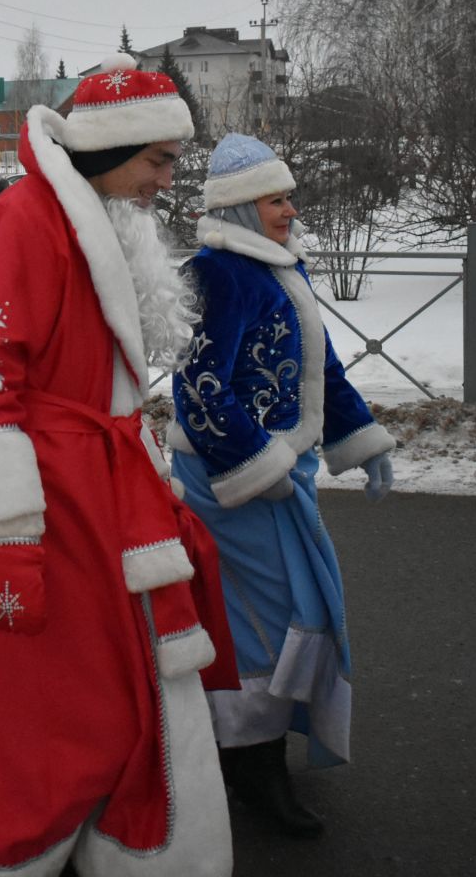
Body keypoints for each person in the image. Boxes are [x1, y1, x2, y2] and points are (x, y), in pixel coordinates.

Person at [0, 55, 234, 877]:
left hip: (99, 494)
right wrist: (9, 535)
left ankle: (113, 841)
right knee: (35, 715)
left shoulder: (94, 215)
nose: (165, 181)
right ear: (113, 153)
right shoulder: (25, 219)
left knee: (110, 695)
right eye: (158, 161)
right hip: (45, 510)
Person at [168, 134, 397, 839]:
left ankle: (254, 753)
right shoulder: (218, 275)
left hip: (278, 474)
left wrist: (360, 442)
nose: (291, 210)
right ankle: (251, 768)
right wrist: (256, 467)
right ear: (239, 207)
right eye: (277, 199)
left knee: (293, 610)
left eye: (287, 197)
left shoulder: (275, 269)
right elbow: (199, 388)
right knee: (265, 624)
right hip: (231, 482)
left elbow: (317, 373)